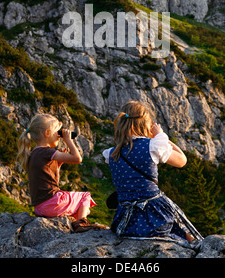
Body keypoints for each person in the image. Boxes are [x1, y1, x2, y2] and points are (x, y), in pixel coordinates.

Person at [103, 101, 203, 243]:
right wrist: (160, 136)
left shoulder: (111, 153)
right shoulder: (153, 146)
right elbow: (182, 160)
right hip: (155, 217)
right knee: (182, 230)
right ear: (146, 124)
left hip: (125, 222)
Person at [17, 113, 107, 233]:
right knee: (85, 196)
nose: (59, 136)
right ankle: (81, 224)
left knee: (75, 205)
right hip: (52, 203)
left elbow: (48, 179)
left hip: (39, 208)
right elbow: (77, 158)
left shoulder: (34, 153)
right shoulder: (47, 151)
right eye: (57, 132)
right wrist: (68, 140)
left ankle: (75, 223)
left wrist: (57, 166)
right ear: (47, 133)